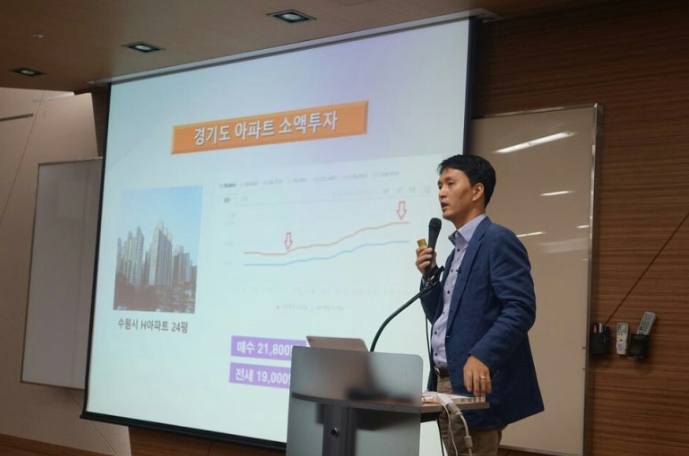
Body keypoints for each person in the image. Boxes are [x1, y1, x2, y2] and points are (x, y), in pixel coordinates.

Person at [415, 154, 544, 456]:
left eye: (450, 183)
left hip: (475, 383)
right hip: (445, 381)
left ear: (477, 191)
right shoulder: (456, 252)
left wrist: (483, 354)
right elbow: (441, 316)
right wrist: (429, 277)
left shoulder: (497, 239)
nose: (441, 193)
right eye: (439, 185)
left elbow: (520, 308)